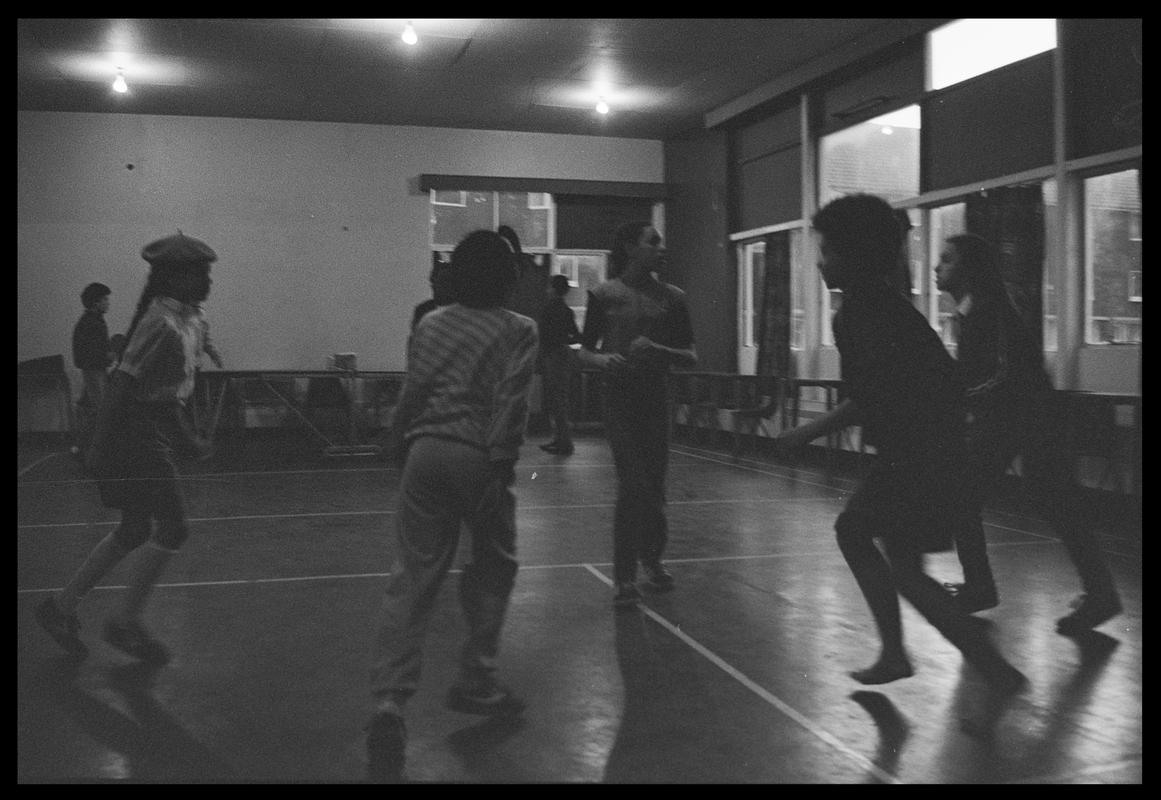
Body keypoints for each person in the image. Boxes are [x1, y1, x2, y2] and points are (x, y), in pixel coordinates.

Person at [774, 195, 1025, 692]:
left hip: (923, 454)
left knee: (870, 543)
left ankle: (987, 669)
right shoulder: (881, 306)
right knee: (899, 561)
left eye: (826, 251)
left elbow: (869, 399)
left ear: (852, 255)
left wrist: (801, 434)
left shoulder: (864, 312)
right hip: (925, 449)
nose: (821, 261)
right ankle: (902, 655)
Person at [366, 229, 538, 783]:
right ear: (506, 277)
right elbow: (511, 399)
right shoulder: (518, 329)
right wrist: (501, 462)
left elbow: (412, 391)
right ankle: (477, 678)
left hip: (425, 451)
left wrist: (397, 443)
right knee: (493, 565)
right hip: (477, 456)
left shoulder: (432, 322)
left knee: (413, 576)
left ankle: (389, 703)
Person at [36, 232, 218, 664]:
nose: (209, 280)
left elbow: (166, 394)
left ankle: (59, 608)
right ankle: (125, 623)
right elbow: (121, 387)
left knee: (136, 529)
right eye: (199, 273)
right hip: (133, 433)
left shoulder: (193, 319)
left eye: (209, 272)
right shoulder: (160, 321)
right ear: (174, 277)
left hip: (148, 428)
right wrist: (96, 447)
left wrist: (187, 438)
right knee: (175, 527)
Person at [934, 233, 1123, 632]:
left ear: (968, 268)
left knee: (1052, 503)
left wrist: (957, 398)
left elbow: (1003, 376)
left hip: (1032, 421)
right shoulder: (969, 312)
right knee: (971, 496)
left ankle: (1097, 594)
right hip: (1006, 423)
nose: (937, 267)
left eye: (946, 260)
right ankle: (985, 585)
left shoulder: (991, 310)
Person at [578, 221, 697, 609]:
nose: (661, 249)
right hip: (618, 399)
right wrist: (601, 358)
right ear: (631, 248)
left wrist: (658, 349)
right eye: (653, 242)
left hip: (655, 399)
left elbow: (690, 356)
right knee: (632, 483)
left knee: (654, 486)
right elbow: (584, 350)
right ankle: (624, 575)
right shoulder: (604, 294)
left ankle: (653, 557)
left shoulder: (673, 298)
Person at [538, 274, 580, 455]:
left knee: (556, 400)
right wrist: (564, 339)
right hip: (564, 354)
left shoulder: (548, 309)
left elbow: (542, 334)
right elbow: (576, 335)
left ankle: (564, 442)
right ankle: (561, 439)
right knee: (560, 398)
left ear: (554, 289)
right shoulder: (567, 311)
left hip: (552, 355)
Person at [71, 282, 113, 455]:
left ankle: (81, 446)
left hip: (93, 371)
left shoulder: (90, 321)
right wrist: (108, 357)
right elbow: (93, 352)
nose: (108, 303)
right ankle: (94, 449)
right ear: (96, 302)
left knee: (92, 410)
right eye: (105, 299)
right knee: (101, 410)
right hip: (95, 372)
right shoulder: (92, 323)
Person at [410, 258, 456, 331]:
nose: (434, 285)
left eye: (445, 282)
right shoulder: (423, 309)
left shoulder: (460, 312)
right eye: (435, 281)